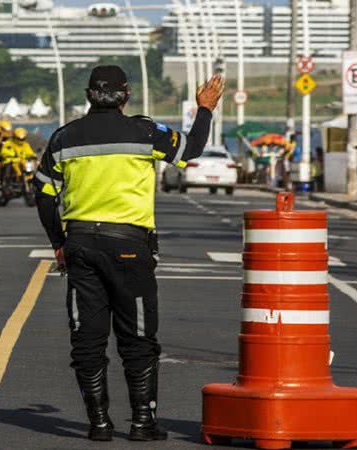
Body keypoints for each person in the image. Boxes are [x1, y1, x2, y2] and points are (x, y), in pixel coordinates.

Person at [33, 65, 224, 442]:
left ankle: (99, 423)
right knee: (137, 337)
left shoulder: (63, 138)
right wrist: (205, 108)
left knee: (87, 339)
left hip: (81, 245)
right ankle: (142, 422)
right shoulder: (145, 132)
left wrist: (59, 243)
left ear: (88, 96)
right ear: (126, 96)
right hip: (129, 248)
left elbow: (43, 196)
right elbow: (193, 149)